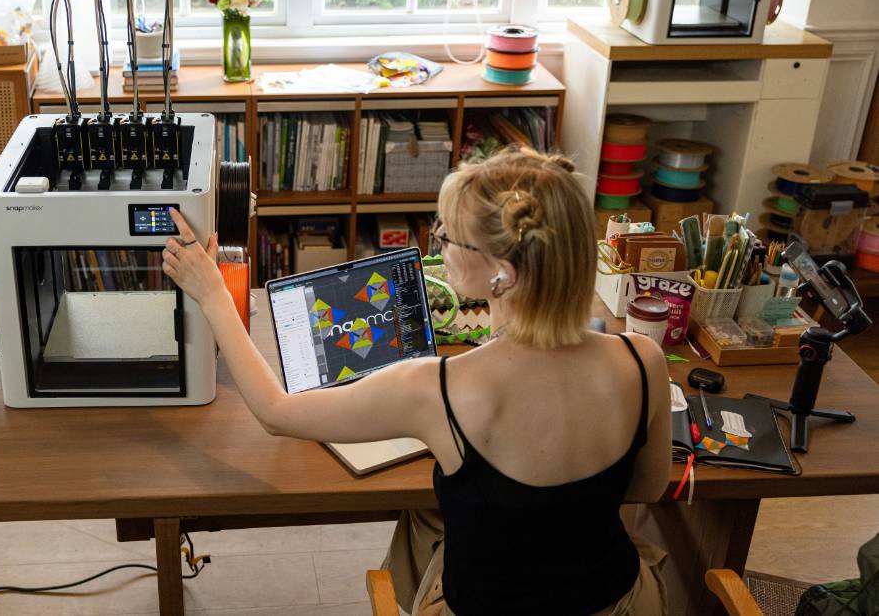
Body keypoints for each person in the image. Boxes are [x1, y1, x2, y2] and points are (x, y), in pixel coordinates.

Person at [159, 146, 672, 615]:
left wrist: (213, 295)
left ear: (502, 275)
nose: (440, 244)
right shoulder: (643, 358)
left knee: (430, 515)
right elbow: (647, 486)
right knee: (433, 516)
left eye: (450, 236)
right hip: (617, 600)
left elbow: (275, 413)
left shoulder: (439, 389)